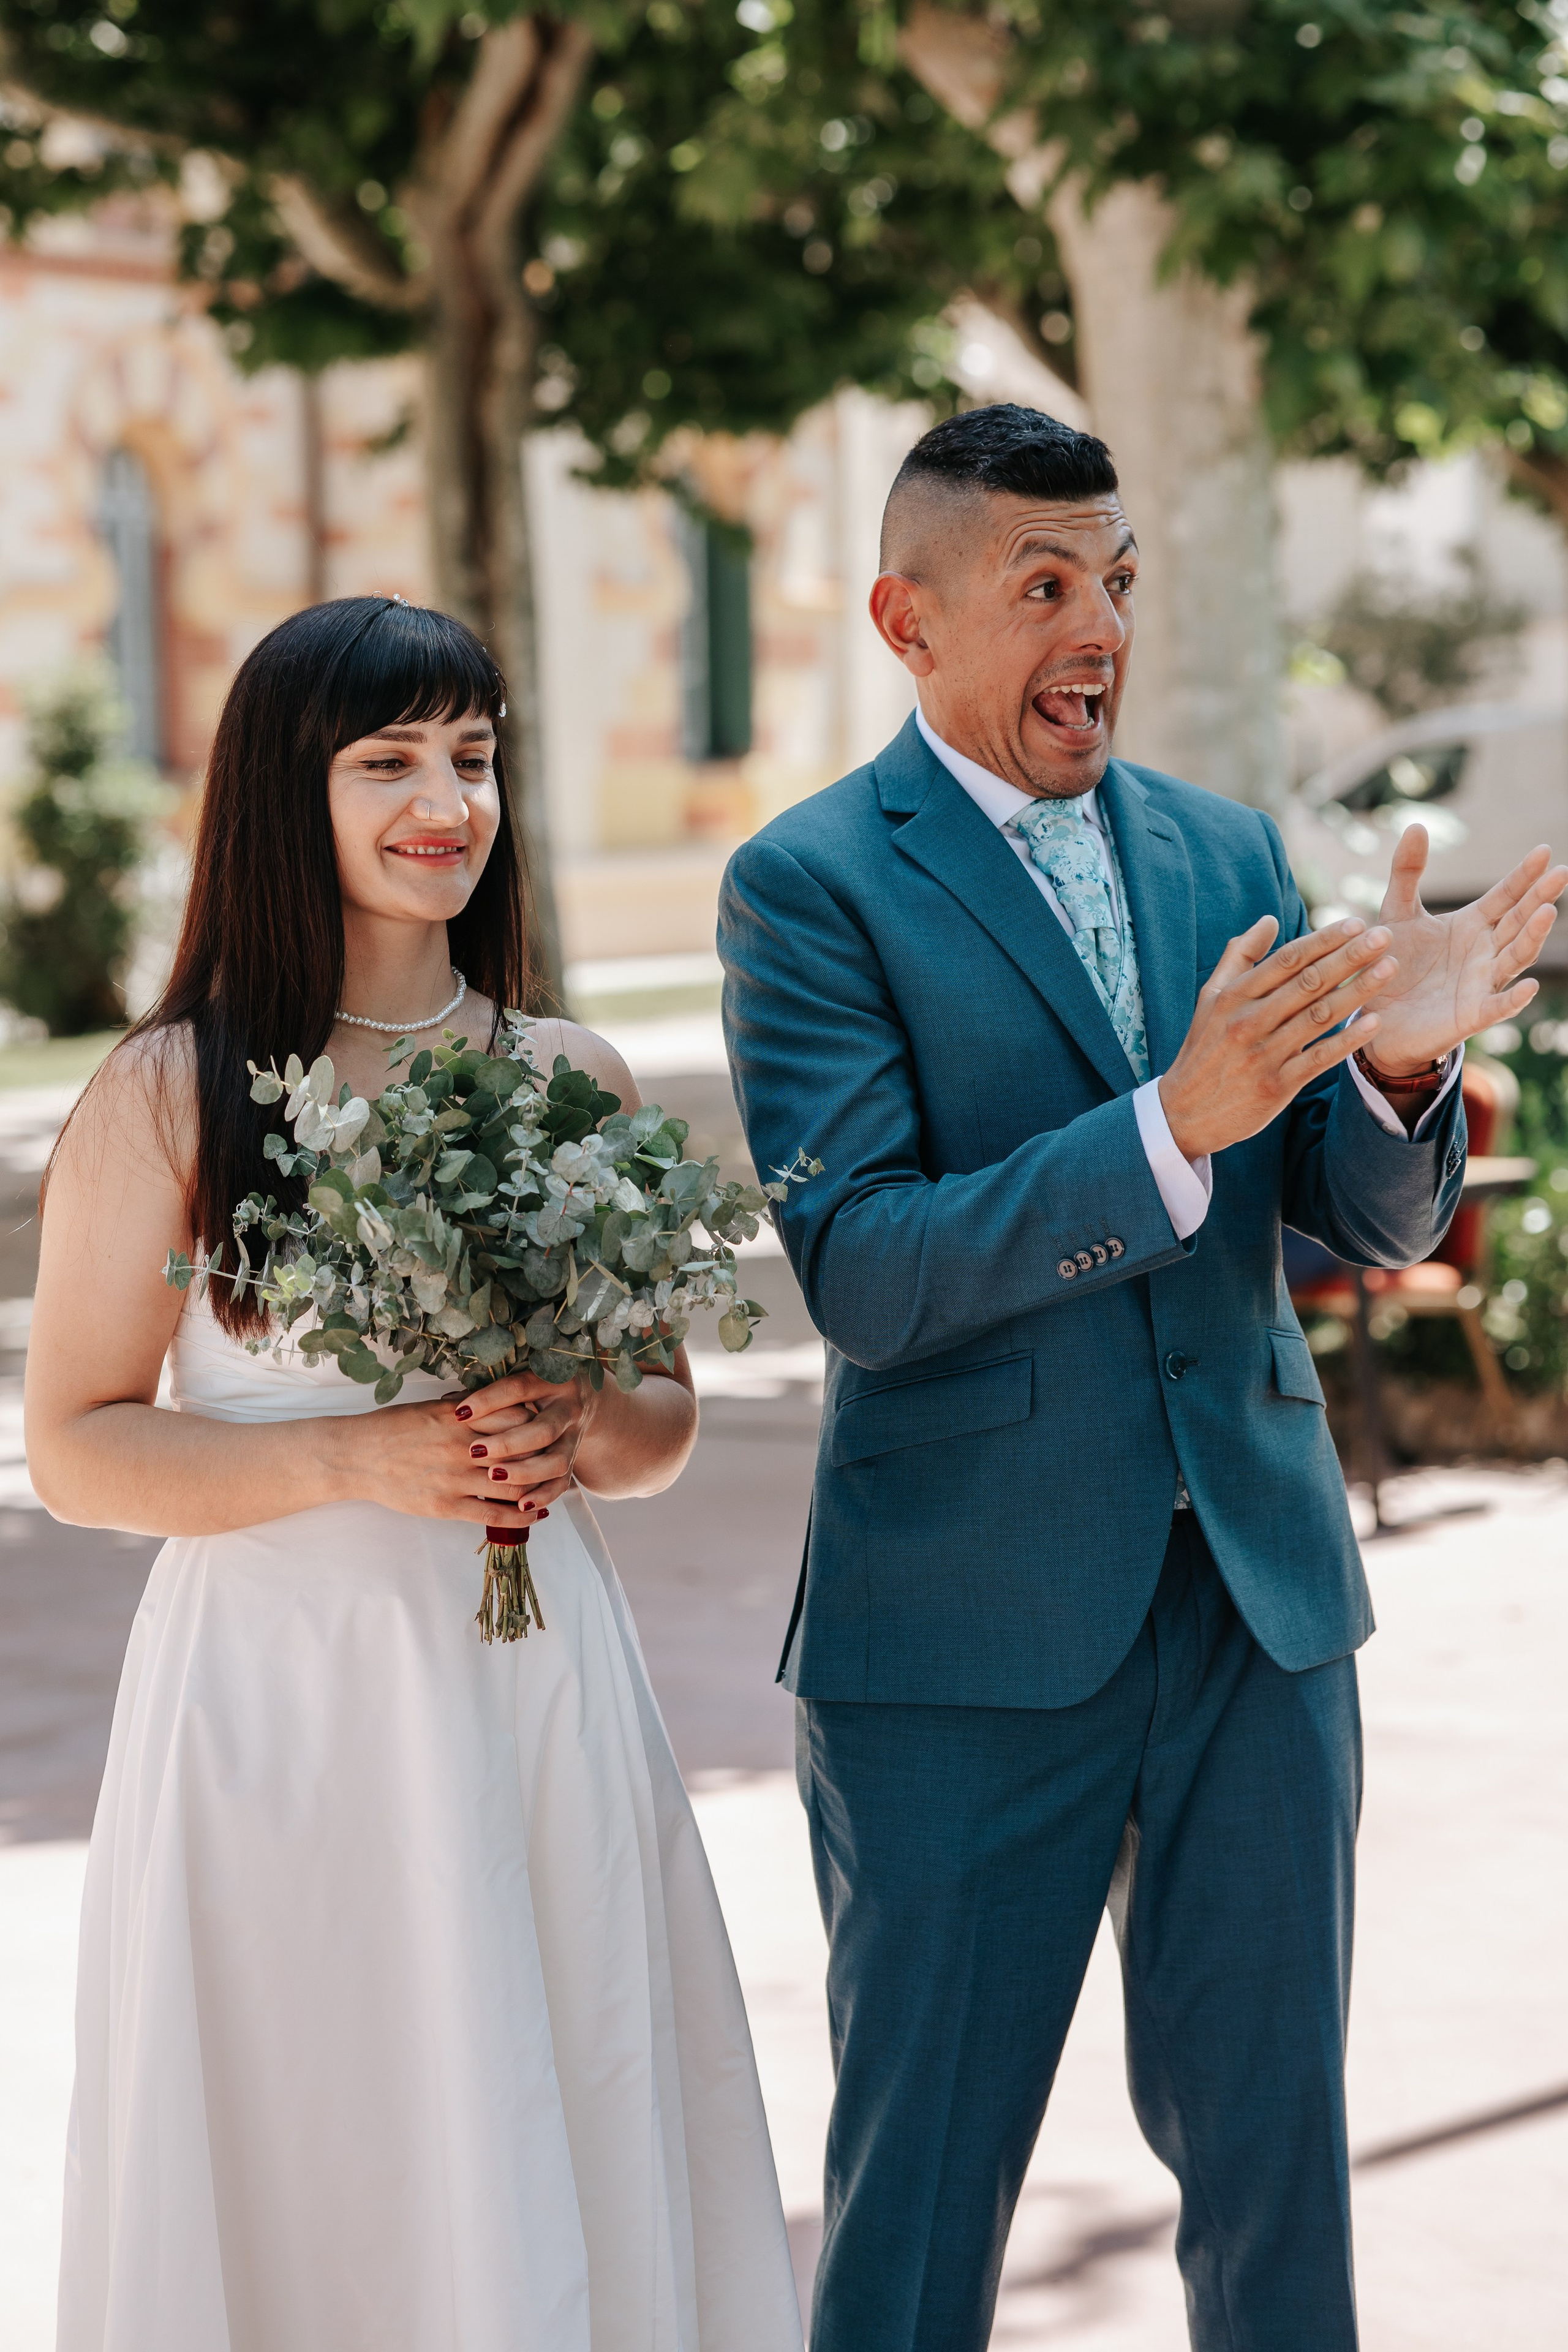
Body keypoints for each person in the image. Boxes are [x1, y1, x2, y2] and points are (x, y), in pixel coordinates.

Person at [718, 405, 1566, 2352]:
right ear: (904, 620)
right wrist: (1168, 1123)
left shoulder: (1225, 848)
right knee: (921, 2212)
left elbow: (1333, 1219)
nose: (1095, 622)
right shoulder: (813, 884)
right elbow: (866, 1270)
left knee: (1282, 2204)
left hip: (1260, 1618)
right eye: (1042, 586)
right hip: (960, 1644)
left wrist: (1398, 1078)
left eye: (1114, 580)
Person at [31, 598, 802, 2352]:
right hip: (281, 1715)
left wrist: (579, 1431)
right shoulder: (172, 1094)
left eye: (473, 756)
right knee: (321, 2125)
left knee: (559, 2079)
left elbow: (661, 1420)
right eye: (387, 762)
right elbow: (74, 1451)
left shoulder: (569, 1073)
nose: (445, 798)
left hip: (533, 1691)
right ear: (279, 799)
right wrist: (357, 1454)